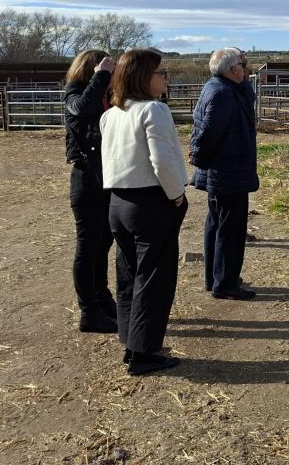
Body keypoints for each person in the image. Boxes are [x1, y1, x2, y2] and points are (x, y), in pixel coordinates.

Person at [101, 49, 189, 376]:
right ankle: (144, 353)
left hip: (119, 203)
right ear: (143, 76)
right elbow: (162, 161)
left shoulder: (111, 114)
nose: (167, 78)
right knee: (155, 278)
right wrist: (177, 195)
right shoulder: (154, 110)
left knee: (128, 275)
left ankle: (131, 341)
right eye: (162, 73)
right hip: (152, 202)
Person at [190, 48, 259, 300]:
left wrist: (245, 69)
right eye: (242, 65)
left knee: (218, 225)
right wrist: (198, 157)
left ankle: (217, 277)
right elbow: (207, 134)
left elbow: (247, 95)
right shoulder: (222, 94)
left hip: (225, 171)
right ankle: (225, 283)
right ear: (232, 70)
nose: (245, 68)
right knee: (229, 229)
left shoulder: (224, 87)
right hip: (227, 171)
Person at [64, 49, 117, 333]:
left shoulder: (106, 95)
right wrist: (101, 77)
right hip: (86, 179)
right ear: (92, 70)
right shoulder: (74, 92)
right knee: (87, 247)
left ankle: (102, 298)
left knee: (103, 243)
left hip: (106, 177)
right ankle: (89, 312)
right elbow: (80, 110)